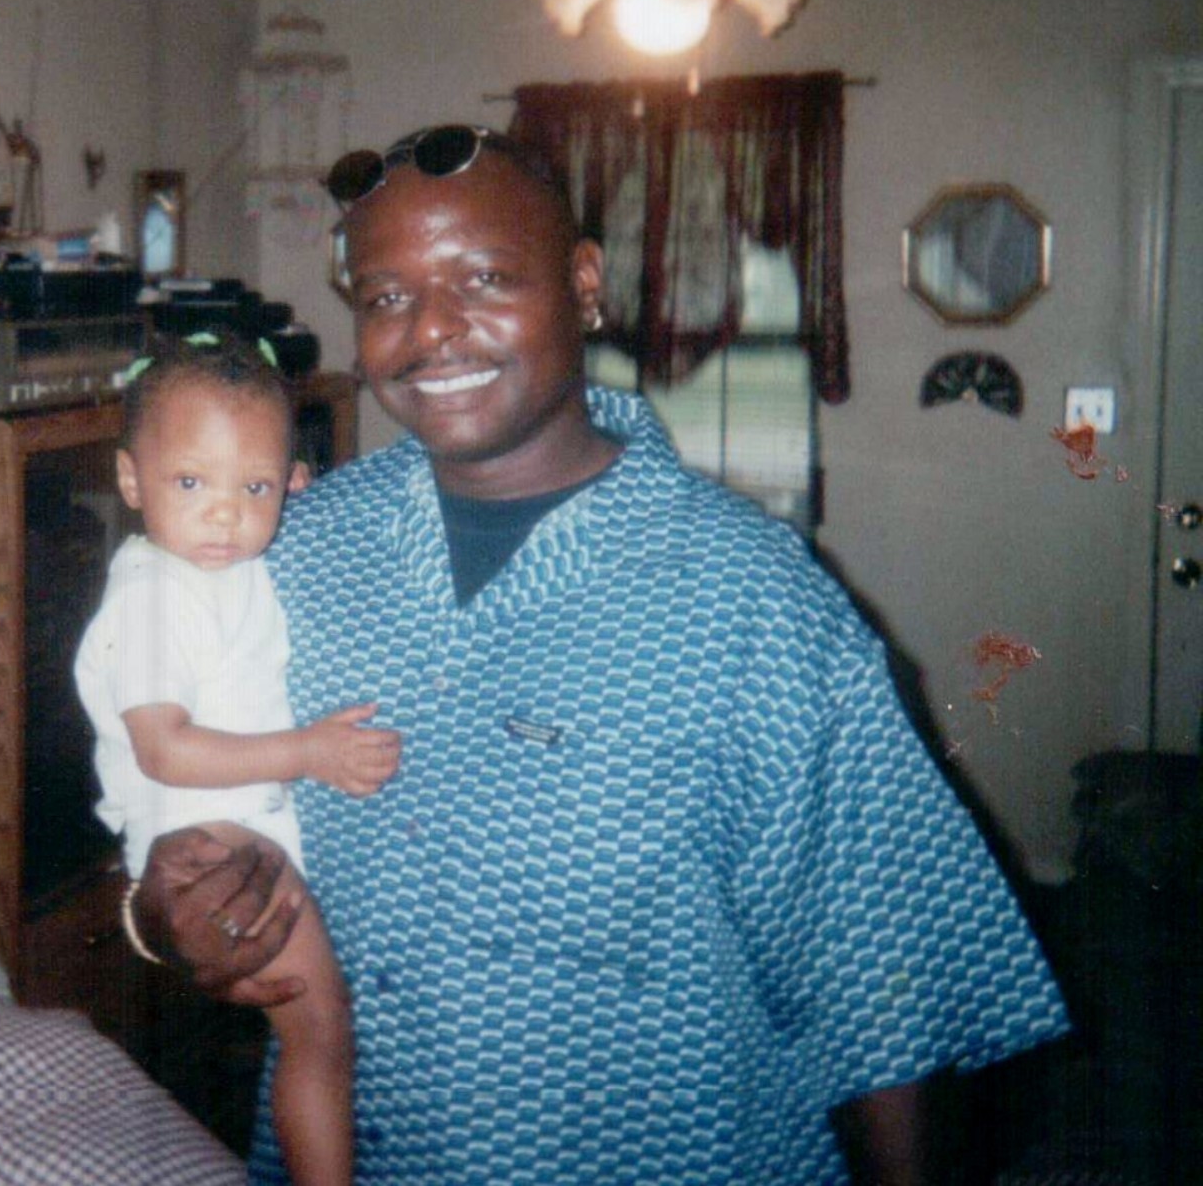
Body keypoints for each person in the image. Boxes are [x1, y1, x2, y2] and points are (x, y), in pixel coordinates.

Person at [133, 126, 1071, 1184]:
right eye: (387, 296)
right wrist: (165, 914)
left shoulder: (752, 599)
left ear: (584, 286)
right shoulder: (285, 551)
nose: (430, 329)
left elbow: (884, 991)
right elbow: (161, 796)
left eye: (483, 278)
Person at [75, 331, 402, 1186]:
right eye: (192, 482)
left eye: (253, 486)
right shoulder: (152, 595)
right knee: (319, 1030)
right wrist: (310, 751)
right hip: (213, 840)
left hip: (239, 823)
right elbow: (163, 747)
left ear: (294, 483)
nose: (224, 513)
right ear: (130, 480)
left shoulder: (224, 569)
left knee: (318, 1032)